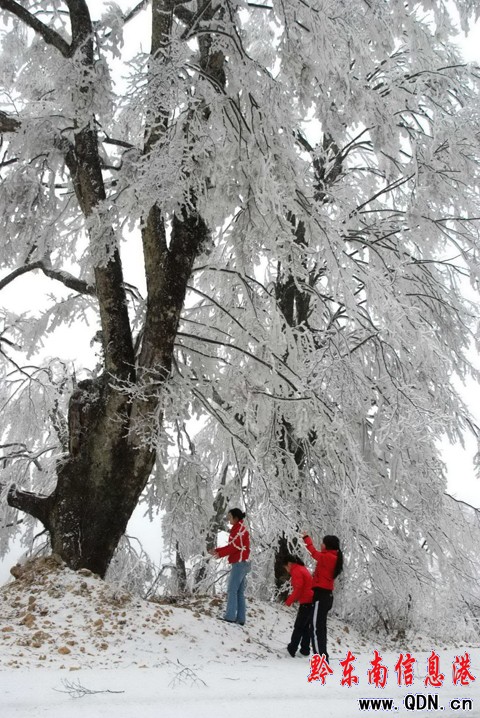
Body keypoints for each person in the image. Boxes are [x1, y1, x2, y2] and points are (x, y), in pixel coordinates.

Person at [302, 532, 343, 663]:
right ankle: (321, 655)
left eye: (323, 543)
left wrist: (306, 538)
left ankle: (320, 657)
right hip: (324, 595)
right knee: (320, 626)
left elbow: (313, 552)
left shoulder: (329, 557)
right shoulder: (331, 557)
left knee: (315, 626)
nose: (321, 544)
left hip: (322, 595)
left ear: (327, 546)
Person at [209, 508, 251, 625]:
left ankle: (230, 616)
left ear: (236, 518)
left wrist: (219, 553)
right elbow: (233, 546)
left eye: (230, 517)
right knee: (239, 592)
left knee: (232, 590)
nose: (228, 519)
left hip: (239, 563)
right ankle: (241, 619)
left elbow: (233, 547)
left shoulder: (239, 530)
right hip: (244, 562)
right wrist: (217, 551)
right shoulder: (239, 528)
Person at [283, 554, 314, 657]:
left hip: (306, 601)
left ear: (289, 564)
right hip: (311, 600)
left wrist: (289, 601)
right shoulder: (302, 568)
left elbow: (298, 588)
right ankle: (305, 650)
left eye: (285, 567)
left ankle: (292, 648)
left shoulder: (296, 571)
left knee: (299, 626)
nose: (286, 570)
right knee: (305, 627)